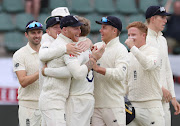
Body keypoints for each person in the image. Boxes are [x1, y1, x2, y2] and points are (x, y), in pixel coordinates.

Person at [38, 15, 105, 126]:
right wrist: (93, 59)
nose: (79, 31)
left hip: (55, 100)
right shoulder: (66, 47)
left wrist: (47, 71)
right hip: (53, 101)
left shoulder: (65, 45)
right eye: (75, 28)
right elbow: (78, 74)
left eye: (79, 28)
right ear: (64, 29)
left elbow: (71, 72)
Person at [91, 16, 129, 126]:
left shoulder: (121, 50)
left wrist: (98, 69)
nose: (100, 30)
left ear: (114, 30)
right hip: (96, 107)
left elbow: (120, 74)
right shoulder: (96, 47)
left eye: (104, 28)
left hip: (114, 106)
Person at [145, 5, 180, 126]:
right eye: (162, 17)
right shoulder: (143, 39)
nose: (165, 21)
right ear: (153, 19)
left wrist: (173, 97)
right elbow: (144, 71)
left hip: (164, 100)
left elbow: (166, 69)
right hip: (149, 100)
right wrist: (160, 88)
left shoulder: (162, 40)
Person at [125, 21, 164, 126]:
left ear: (143, 36)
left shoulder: (154, 52)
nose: (130, 38)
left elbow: (148, 65)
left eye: (133, 35)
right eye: (128, 35)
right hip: (132, 108)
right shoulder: (129, 55)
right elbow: (125, 82)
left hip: (152, 108)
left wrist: (133, 48)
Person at [13, 20, 43, 126]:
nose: (36, 36)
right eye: (33, 33)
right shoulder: (20, 54)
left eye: (39, 32)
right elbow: (23, 81)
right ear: (26, 35)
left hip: (46, 105)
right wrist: (41, 71)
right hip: (29, 107)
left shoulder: (47, 51)